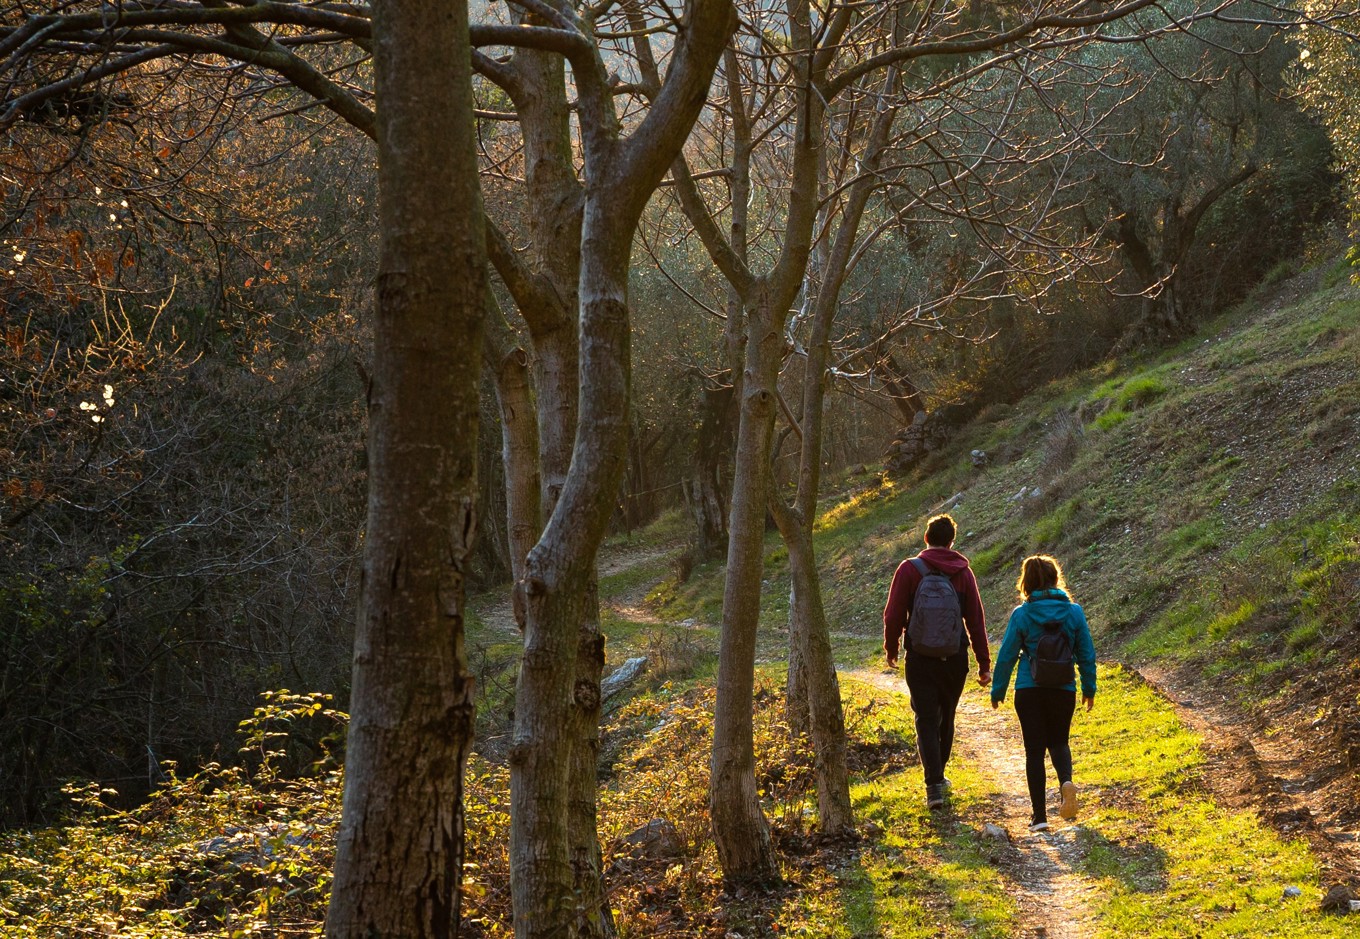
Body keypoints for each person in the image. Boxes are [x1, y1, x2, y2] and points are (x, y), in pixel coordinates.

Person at [883, 513, 991, 809]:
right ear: (951, 541)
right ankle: (939, 776)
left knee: (926, 719)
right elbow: (976, 621)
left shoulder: (909, 570)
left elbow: (893, 615)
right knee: (947, 716)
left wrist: (891, 648)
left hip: (919, 658)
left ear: (926, 539)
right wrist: (984, 664)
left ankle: (934, 785)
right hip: (954, 658)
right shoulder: (963, 572)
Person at [990, 554, 1097, 832]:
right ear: (1054, 579)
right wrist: (1089, 688)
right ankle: (1066, 784)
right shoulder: (1074, 612)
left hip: (1029, 689)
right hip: (1063, 689)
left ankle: (1039, 817)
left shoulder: (1022, 614)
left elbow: (1007, 655)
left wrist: (998, 689)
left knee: (1034, 751)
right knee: (1060, 742)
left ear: (1026, 582)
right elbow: (1085, 652)